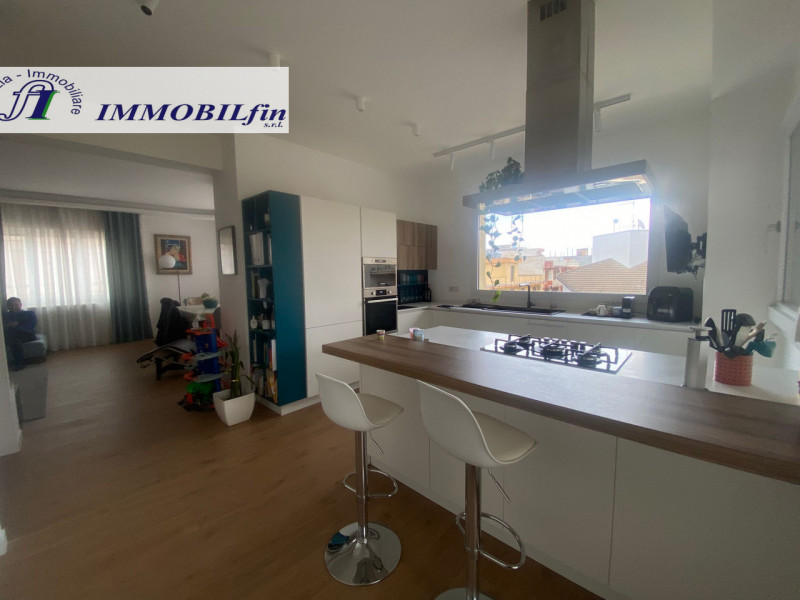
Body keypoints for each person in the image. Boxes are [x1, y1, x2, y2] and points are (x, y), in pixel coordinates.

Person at [3, 297, 37, 371]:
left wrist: (17, 326)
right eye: (11, 305)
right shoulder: (5, 315)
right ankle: (17, 362)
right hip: (11, 335)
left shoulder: (29, 313)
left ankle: (19, 363)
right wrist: (8, 326)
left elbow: (32, 325)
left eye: (16, 305)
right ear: (7, 306)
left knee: (14, 337)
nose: (13, 307)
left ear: (20, 305)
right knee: (12, 337)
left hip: (27, 334)